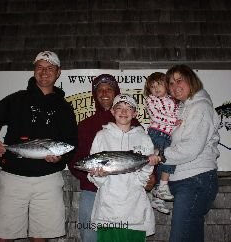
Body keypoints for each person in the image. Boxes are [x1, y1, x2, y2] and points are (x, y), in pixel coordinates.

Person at [0, 51, 78, 242]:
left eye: (50, 68)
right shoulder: (16, 99)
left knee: (40, 238)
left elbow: (71, 143)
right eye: (40, 67)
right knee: (3, 237)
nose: (44, 72)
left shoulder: (65, 108)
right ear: (34, 70)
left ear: (58, 72)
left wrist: (61, 158)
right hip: (13, 178)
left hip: (48, 180)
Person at [68, 74, 142, 242]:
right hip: (92, 193)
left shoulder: (134, 124)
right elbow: (74, 161)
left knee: (121, 238)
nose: (104, 93)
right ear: (95, 95)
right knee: (90, 236)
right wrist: (90, 175)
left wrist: (151, 175)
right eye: (99, 90)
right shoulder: (85, 125)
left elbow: (143, 155)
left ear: (116, 92)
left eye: (109, 89)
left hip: (125, 194)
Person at [87, 94, 156, 242]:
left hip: (135, 208)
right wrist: (98, 175)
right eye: (119, 108)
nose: (123, 112)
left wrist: (148, 167)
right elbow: (96, 179)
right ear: (112, 111)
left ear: (135, 113)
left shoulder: (144, 138)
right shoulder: (101, 136)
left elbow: (146, 173)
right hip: (108, 208)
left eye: (128, 108)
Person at [163, 65, 220, 242]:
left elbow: (191, 148)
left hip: (195, 179)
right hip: (185, 181)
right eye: (171, 83)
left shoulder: (201, 106)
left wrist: (160, 155)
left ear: (191, 80)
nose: (174, 86)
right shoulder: (184, 108)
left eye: (179, 80)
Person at [144, 72, 182, 212]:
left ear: (166, 84)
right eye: (153, 86)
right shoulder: (151, 100)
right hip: (157, 133)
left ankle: (158, 197)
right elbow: (156, 116)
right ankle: (160, 187)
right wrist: (174, 122)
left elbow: (180, 114)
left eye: (159, 84)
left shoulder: (174, 100)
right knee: (160, 160)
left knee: (166, 161)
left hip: (170, 136)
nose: (156, 88)